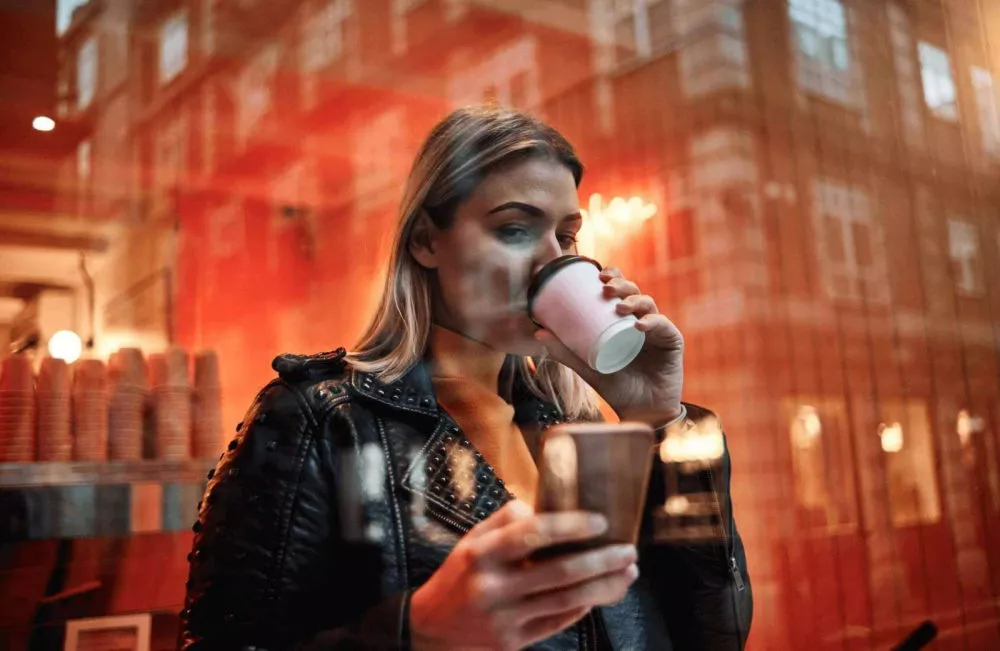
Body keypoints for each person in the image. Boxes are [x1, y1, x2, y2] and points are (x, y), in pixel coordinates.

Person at [178, 106, 752, 651]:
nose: (552, 261)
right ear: (426, 240)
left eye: (567, 237)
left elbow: (714, 635)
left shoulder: (570, 432)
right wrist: (418, 631)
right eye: (514, 229)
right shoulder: (320, 420)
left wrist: (661, 420)